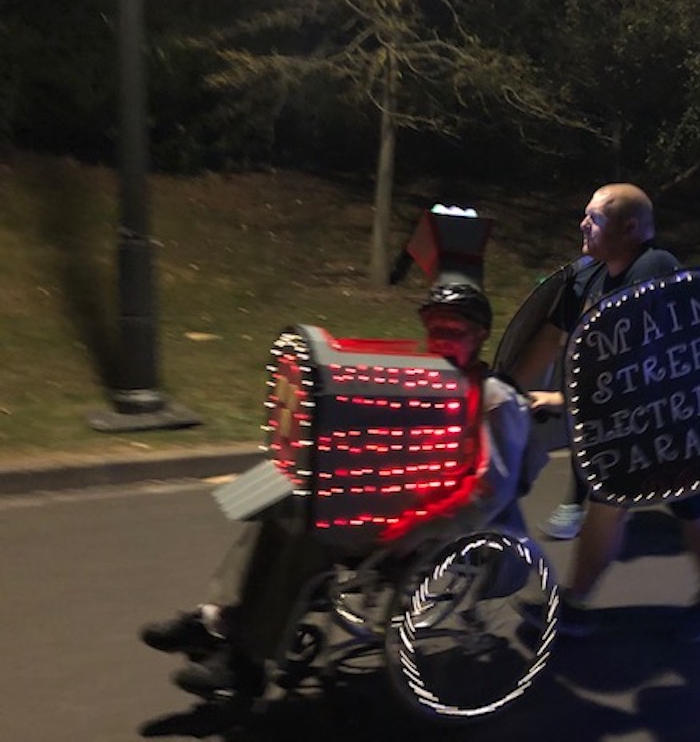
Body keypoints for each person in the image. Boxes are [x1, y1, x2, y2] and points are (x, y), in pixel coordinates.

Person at [139, 282, 545, 698]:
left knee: (307, 533)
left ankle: (246, 660)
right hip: (391, 501)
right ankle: (215, 621)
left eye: (454, 329)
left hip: (434, 528)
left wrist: (415, 529)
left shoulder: (495, 399)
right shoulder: (431, 381)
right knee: (274, 506)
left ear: (480, 334)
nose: (441, 338)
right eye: (435, 328)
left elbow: (487, 492)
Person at [520, 183, 700, 640]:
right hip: (628, 427)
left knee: (699, 509)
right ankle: (576, 603)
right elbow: (554, 334)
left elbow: (636, 357)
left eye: (595, 218)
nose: (583, 224)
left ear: (630, 227)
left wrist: (563, 400)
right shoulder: (592, 278)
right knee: (606, 503)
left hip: (681, 423)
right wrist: (510, 385)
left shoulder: (655, 269)